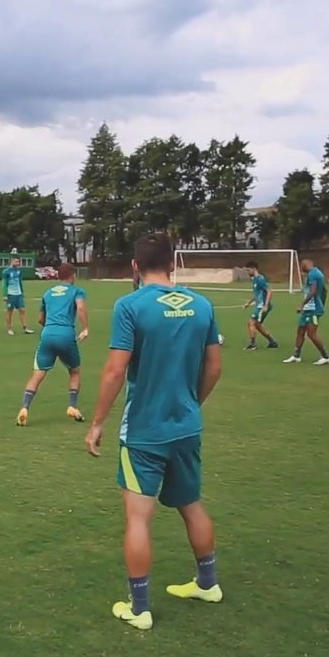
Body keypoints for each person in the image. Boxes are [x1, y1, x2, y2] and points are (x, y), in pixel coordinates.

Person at [85, 237, 224, 631]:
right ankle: (208, 583)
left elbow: (115, 371)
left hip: (145, 430)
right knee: (191, 504)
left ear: (134, 266)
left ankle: (140, 608)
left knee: (138, 518)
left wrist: (97, 423)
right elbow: (214, 366)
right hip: (186, 426)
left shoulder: (130, 305)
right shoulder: (202, 304)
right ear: (171, 263)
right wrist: (192, 402)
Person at [16, 264, 89, 426]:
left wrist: (51, 329)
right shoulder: (77, 291)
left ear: (58, 276)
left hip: (47, 333)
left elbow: (40, 319)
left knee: (38, 373)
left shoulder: (48, 293)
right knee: (75, 371)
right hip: (66, 335)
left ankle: (25, 408)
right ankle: (72, 406)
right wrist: (85, 328)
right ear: (72, 275)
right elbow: (81, 307)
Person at [283, 258, 329, 365]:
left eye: (301, 266)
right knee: (300, 331)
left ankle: (325, 356)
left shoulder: (312, 274)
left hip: (313, 309)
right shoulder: (317, 273)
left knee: (311, 333)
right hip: (309, 308)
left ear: (306, 264)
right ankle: (296, 356)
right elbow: (324, 291)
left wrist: (302, 304)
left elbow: (313, 291)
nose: (301, 268)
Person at [241, 261, 278, 350]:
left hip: (262, 306)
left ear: (254, 269)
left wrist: (265, 305)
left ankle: (253, 345)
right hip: (260, 305)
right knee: (257, 324)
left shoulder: (260, 279)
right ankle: (272, 342)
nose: (247, 272)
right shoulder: (254, 279)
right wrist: (248, 303)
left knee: (251, 322)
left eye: (248, 270)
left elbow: (269, 291)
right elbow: (256, 294)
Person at [2, 256, 34, 336]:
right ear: (11, 261)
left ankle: (25, 328)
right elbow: (4, 284)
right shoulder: (6, 271)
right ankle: (9, 329)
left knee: (22, 310)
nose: (17, 263)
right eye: (16, 261)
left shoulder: (19, 271)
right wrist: (4, 295)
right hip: (10, 294)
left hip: (18, 294)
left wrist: (22, 292)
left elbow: (20, 282)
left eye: (18, 262)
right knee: (10, 312)